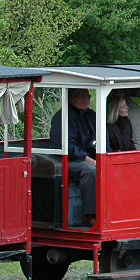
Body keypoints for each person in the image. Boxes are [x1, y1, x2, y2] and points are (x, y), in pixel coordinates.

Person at [49, 88, 97, 226]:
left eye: (85, 96)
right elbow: (68, 147)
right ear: (70, 98)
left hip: (90, 156)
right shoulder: (63, 117)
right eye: (79, 96)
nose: (84, 99)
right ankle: (90, 215)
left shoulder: (91, 116)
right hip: (65, 160)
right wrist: (91, 160)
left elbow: (102, 138)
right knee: (90, 171)